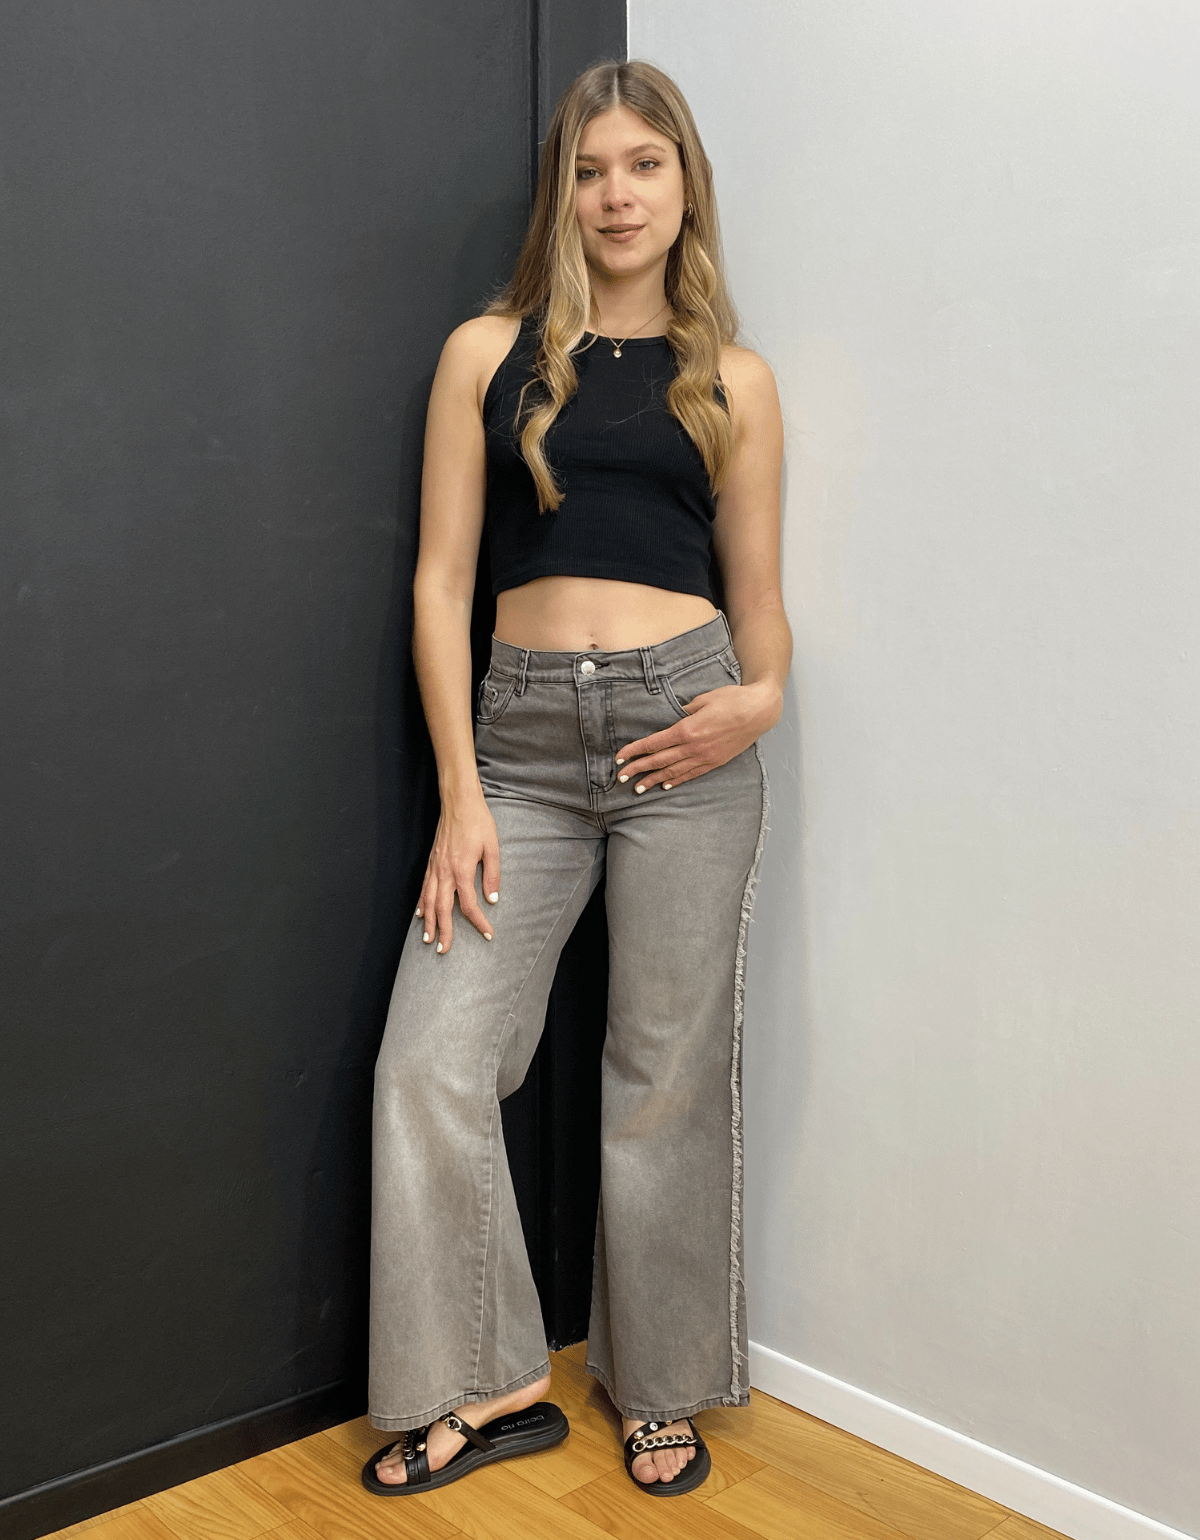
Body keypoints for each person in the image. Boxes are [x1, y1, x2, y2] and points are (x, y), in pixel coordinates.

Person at [362, 58, 789, 1500]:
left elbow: (761, 599)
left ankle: (660, 1384)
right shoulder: (486, 354)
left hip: (690, 733)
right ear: (565, 192)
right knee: (430, 1061)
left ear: (685, 187)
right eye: (592, 170)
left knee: (664, 1074)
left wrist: (760, 701)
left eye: (644, 167)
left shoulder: (733, 380)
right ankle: (489, 1376)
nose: (617, 195)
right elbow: (440, 583)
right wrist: (462, 794)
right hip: (524, 748)